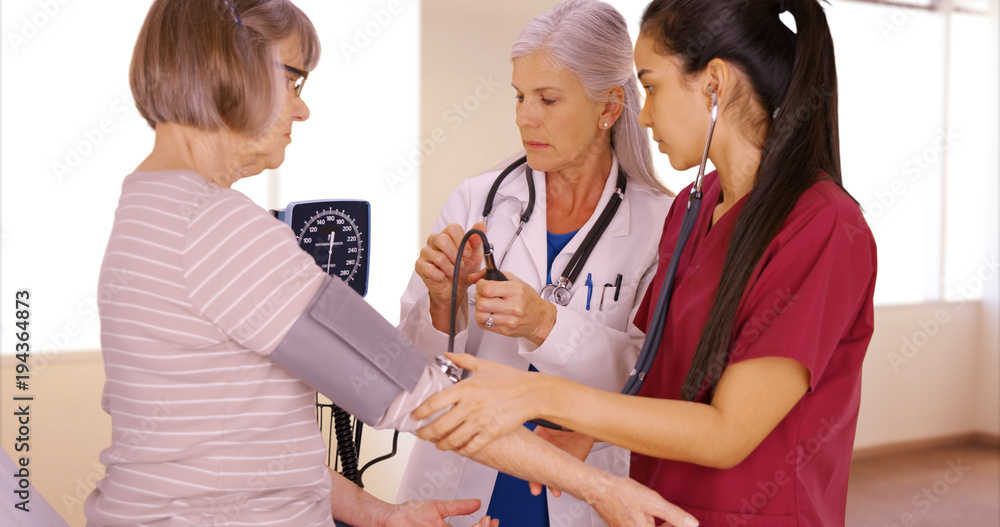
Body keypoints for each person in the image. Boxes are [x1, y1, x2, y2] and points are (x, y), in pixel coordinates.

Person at [85, 1, 697, 527]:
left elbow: (232, 441)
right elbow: (411, 388)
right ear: (234, 69)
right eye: (296, 81)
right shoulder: (221, 227)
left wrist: (378, 514)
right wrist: (604, 489)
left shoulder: (143, 208)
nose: (302, 110)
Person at [413, 0, 878, 526]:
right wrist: (589, 432)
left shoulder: (824, 228)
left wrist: (538, 392)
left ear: (714, 84)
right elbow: (654, 373)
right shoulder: (692, 208)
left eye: (651, 86)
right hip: (656, 509)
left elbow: (727, 433)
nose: (643, 113)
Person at [396, 1, 673, 526]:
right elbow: (418, 368)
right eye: (520, 96)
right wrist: (442, 303)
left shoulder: (660, 223)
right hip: (464, 472)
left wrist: (546, 324)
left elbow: (648, 377)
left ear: (609, 107)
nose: (525, 116)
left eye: (547, 98)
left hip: (579, 478)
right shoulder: (477, 201)